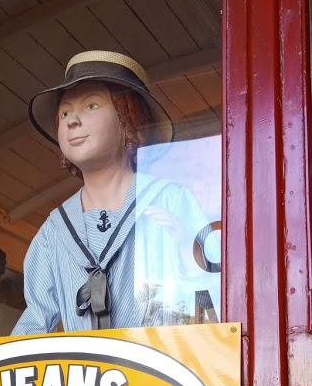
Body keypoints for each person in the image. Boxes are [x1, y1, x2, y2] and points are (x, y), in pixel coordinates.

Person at [11, 50, 215, 335]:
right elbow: (34, 321)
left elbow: (214, 305)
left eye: (91, 105)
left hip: (161, 359)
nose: (71, 121)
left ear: (128, 118)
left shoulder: (171, 200)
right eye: (65, 112)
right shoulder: (53, 231)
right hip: (83, 364)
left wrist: (187, 256)